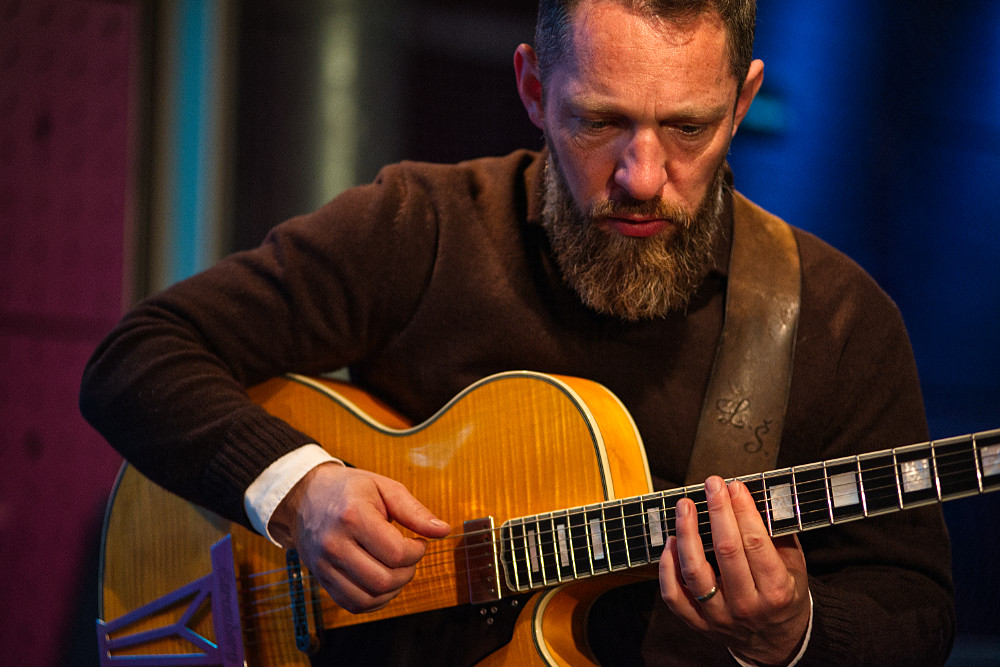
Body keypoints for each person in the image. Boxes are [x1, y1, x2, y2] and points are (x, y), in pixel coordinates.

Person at [80, 0, 955, 664]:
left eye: (688, 127)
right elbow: (136, 358)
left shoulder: (838, 321)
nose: (642, 175)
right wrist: (302, 491)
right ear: (534, 89)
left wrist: (797, 631)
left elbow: (916, 607)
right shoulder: (425, 226)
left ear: (742, 101)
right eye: (600, 120)